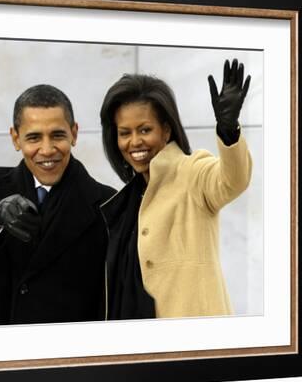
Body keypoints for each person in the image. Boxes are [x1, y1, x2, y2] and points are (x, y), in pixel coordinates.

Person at [0, 84, 115, 326]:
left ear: (74, 134)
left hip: (73, 353)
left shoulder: (109, 203)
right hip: (5, 352)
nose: (46, 150)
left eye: (57, 135)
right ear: (16, 138)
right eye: (34, 137)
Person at [99, 59, 252, 319]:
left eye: (145, 129)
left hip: (196, 343)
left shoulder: (192, 172)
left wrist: (228, 130)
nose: (134, 141)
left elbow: (232, 180)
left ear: (166, 129)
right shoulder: (128, 200)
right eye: (125, 132)